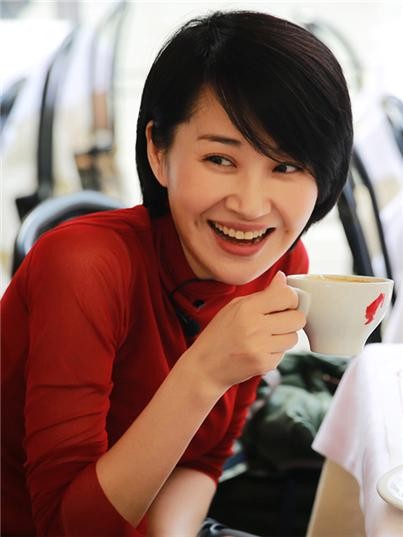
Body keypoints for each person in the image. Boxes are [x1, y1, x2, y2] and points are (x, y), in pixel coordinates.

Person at [1, 10, 353, 537]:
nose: (251, 206)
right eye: (220, 159)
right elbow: (63, 527)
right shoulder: (81, 267)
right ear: (158, 151)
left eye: (285, 166)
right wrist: (204, 372)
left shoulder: (281, 266)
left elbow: (203, 459)